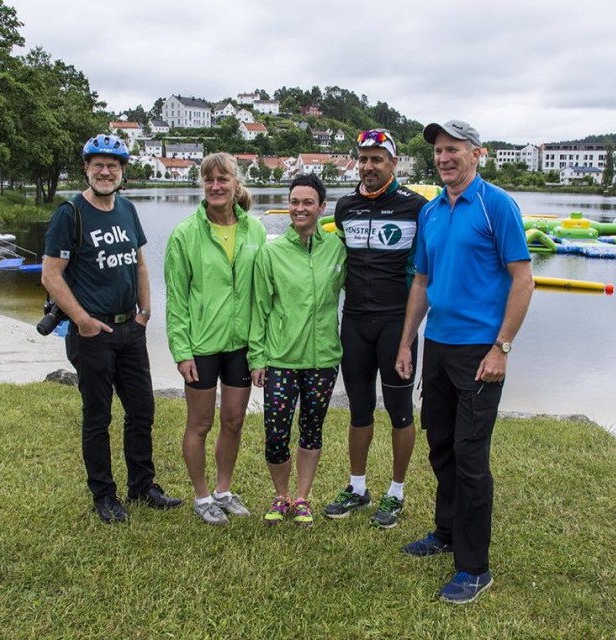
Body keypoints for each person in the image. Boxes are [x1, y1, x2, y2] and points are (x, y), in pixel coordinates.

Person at [395, 119, 534, 604]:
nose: (444, 157)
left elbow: (523, 279)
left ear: (478, 154)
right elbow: (420, 283)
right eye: (438, 150)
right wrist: (407, 342)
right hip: (439, 347)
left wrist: (502, 347)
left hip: (481, 352)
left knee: (472, 458)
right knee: (443, 447)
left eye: (454, 149)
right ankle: (446, 532)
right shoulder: (432, 211)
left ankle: (474, 568)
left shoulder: (497, 206)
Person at [41, 133, 182, 524]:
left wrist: (146, 311)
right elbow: (52, 276)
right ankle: (104, 494)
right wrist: (82, 320)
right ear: (86, 168)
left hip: (130, 329)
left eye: (113, 166)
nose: (106, 171)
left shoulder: (127, 210)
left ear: (122, 172)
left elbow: (138, 263)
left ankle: (143, 486)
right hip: (92, 335)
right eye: (98, 165)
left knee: (142, 411)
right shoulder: (70, 215)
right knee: (97, 417)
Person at [323, 129, 428, 528]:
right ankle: (358, 487)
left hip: (396, 326)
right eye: (363, 158)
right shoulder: (345, 206)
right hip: (355, 323)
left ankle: (396, 493)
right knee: (359, 410)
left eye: (377, 159)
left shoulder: (416, 207)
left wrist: (407, 336)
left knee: (400, 412)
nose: (368, 166)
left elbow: (424, 274)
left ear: (393, 163)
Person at [164, 152, 266, 526]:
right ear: (203, 185)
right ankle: (202, 495)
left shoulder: (254, 230)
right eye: (209, 180)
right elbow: (175, 297)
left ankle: (223, 491)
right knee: (200, 423)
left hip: (241, 344)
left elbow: (260, 294)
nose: (216, 186)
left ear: (236, 183)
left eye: (223, 179)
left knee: (234, 421)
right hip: (201, 345)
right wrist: (181, 350)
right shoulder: (185, 235)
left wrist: (260, 352)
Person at [249, 174, 346, 528]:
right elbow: (259, 309)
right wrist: (257, 358)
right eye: (294, 202)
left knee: (312, 429)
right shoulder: (271, 253)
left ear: (322, 207)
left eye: (308, 202)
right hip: (280, 359)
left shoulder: (337, 249)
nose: (299, 208)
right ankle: (281, 495)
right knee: (275, 435)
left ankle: (302, 498)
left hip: (323, 359)